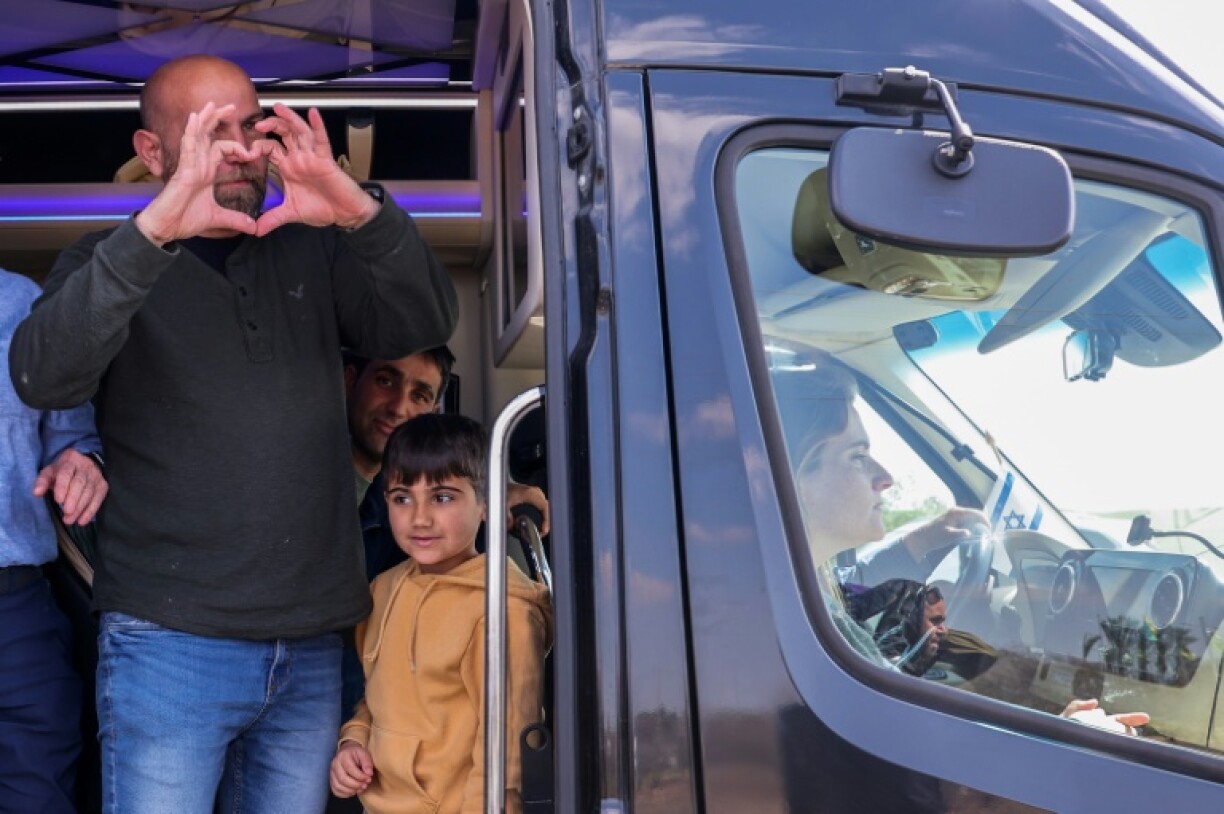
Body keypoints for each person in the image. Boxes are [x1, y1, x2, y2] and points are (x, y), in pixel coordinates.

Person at [8, 55, 457, 814]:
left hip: (314, 641)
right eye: (212, 132)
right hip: (167, 644)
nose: (243, 149)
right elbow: (42, 375)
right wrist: (153, 232)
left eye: (250, 126)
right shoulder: (101, 259)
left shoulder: (315, 246)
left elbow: (422, 323)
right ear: (152, 154)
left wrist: (355, 211)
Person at [780, 352, 1148, 735]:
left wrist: (916, 546)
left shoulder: (799, 588)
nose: (885, 477)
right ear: (793, 476)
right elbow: (911, 759)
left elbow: (850, 590)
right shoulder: (799, 622)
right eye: (857, 457)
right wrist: (1070, 736)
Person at [330, 413, 551, 814]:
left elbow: (506, 761)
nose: (419, 517)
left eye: (443, 497)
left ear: (486, 503)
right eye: (402, 498)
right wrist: (354, 741)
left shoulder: (504, 612)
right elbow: (377, 696)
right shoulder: (382, 590)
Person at [1, 269, 108, 813]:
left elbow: (74, 438)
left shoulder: (25, 304)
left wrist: (81, 463)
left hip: (16, 610)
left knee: (38, 794)